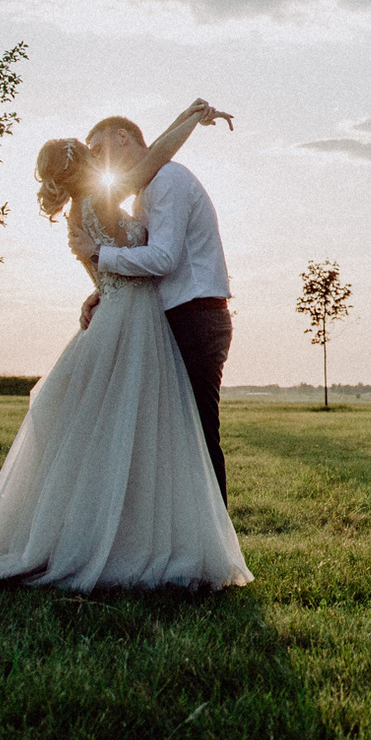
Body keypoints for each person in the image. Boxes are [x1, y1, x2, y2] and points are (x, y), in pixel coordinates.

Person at [0, 100, 247, 592]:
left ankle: (156, 537)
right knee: (154, 433)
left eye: (102, 145)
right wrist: (191, 119)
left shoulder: (84, 213)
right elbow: (154, 178)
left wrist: (100, 282)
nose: (100, 155)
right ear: (84, 164)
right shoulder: (112, 195)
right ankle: (164, 544)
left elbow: (116, 260)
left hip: (143, 315)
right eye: (91, 152)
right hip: (138, 321)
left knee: (139, 432)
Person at [82, 111, 235, 504]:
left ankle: (216, 550)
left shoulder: (168, 180)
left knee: (198, 433)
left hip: (196, 318)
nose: (96, 160)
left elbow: (164, 258)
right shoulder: (146, 191)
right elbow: (151, 261)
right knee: (173, 437)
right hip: (175, 316)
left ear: (123, 137)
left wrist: (102, 256)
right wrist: (104, 290)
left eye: (99, 149)